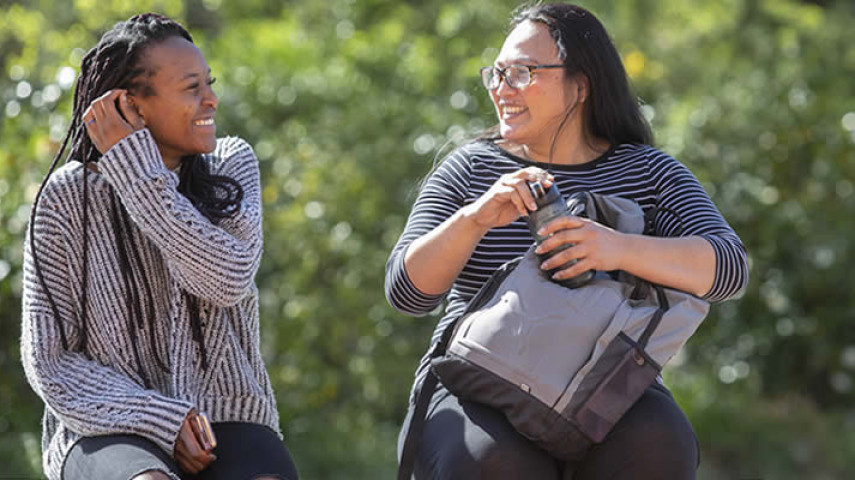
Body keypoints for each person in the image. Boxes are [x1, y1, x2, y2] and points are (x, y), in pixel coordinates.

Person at [385, 3, 748, 479]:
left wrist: (615, 247)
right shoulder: (469, 169)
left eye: (521, 72)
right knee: (491, 460)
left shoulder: (648, 172)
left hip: (603, 379)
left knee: (661, 440)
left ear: (581, 85)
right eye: (496, 74)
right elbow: (406, 293)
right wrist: (474, 220)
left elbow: (729, 269)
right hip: (477, 380)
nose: (501, 88)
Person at [21, 13, 298, 480]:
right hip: (105, 422)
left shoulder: (230, 165)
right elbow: (50, 361)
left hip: (228, 414)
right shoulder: (69, 197)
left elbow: (227, 280)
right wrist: (161, 420)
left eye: (209, 83)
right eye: (192, 88)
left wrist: (136, 174)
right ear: (131, 105)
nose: (211, 99)